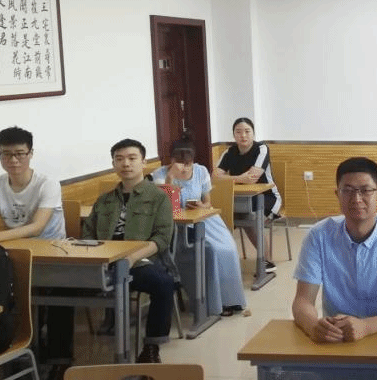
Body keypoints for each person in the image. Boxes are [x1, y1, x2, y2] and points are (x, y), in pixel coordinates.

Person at [0, 126, 68, 380]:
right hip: (13, 255)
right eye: (6, 154)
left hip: (52, 255)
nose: (13, 160)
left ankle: (57, 364)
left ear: (31, 153)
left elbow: (37, 227)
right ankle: (10, 362)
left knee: (59, 295)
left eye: (20, 154)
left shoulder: (47, 183)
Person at [292, 157, 377, 343]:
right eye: (347, 190)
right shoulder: (319, 235)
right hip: (338, 338)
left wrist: (366, 327)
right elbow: (302, 301)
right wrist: (312, 326)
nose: (356, 199)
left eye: (365, 190)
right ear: (337, 194)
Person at [84, 139, 176, 364]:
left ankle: (151, 347)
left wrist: (132, 258)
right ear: (113, 164)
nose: (126, 164)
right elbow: (87, 235)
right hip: (102, 262)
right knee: (56, 287)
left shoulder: (160, 197)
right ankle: (57, 360)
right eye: (119, 159)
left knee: (163, 283)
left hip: (140, 261)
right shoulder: (104, 200)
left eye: (132, 158)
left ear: (144, 162)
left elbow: (162, 238)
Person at [152, 138, 247, 317]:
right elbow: (167, 208)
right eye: (179, 162)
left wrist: (202, 206)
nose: (184, 167)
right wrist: (170, 178)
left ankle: (231, 300)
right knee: (212, 251)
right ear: (171, 160)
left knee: (228, 248)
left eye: (188, 163)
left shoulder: (201, 171)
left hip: (205, 220)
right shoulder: (159, 175)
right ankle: (214, 303)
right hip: (177, 227)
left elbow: (207, 201)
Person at [214, 117, 282, 273]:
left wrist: (229, 178)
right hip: (240, 198)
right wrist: (239, 178)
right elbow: (215, 176)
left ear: (253, 133)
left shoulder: (262, 149)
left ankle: (266, 261)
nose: (243, 135)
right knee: (221, 216)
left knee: (250, 219)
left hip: (267, 197)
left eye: (247, 131)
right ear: (234, 135)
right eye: (238, 132)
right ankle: (223, 259)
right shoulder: (229, 152)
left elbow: (252, 177)